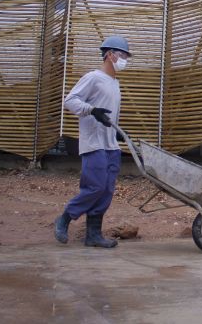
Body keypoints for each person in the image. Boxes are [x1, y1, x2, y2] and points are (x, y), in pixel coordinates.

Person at [54, 36, 131, 248]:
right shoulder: (93, 77)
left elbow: (109, 114)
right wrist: (91, 110)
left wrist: (116, 132)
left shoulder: (115, 83)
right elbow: (70, 100)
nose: (124, 59)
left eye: (126, 56)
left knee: (106, 190)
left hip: (110, 146)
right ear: (109, 54)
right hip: (93, 143)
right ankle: (64, 219)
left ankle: (93, 235)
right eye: (122, 55)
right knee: (94, 187)